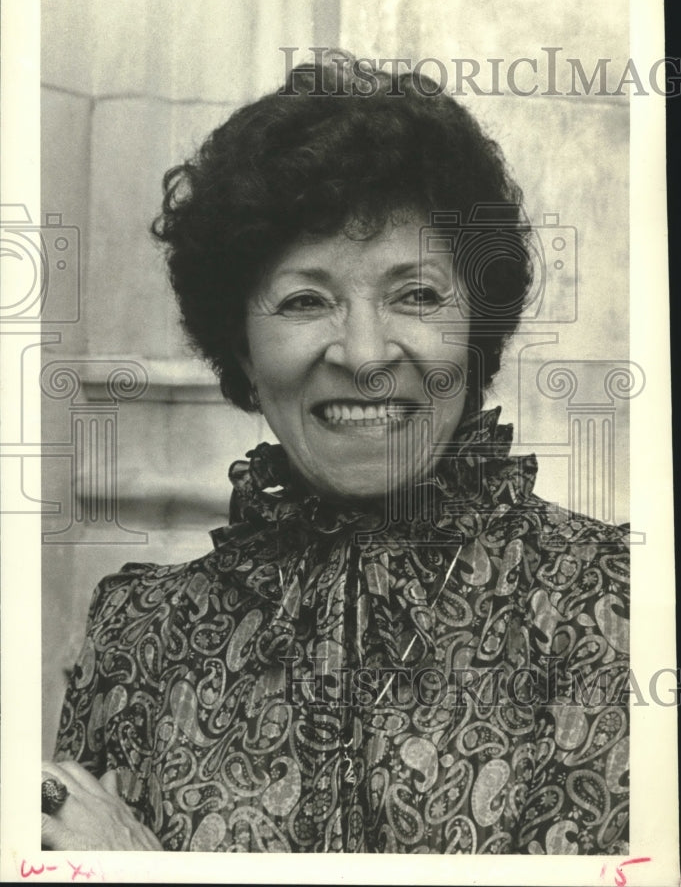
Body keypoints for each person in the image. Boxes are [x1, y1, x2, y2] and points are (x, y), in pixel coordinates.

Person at [42, 53, 630, 854]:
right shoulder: (138, 636)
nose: (362, 353)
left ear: (476, 328)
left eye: (415, 294)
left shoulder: (611, 605)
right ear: (242, 347)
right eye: (305, 300)